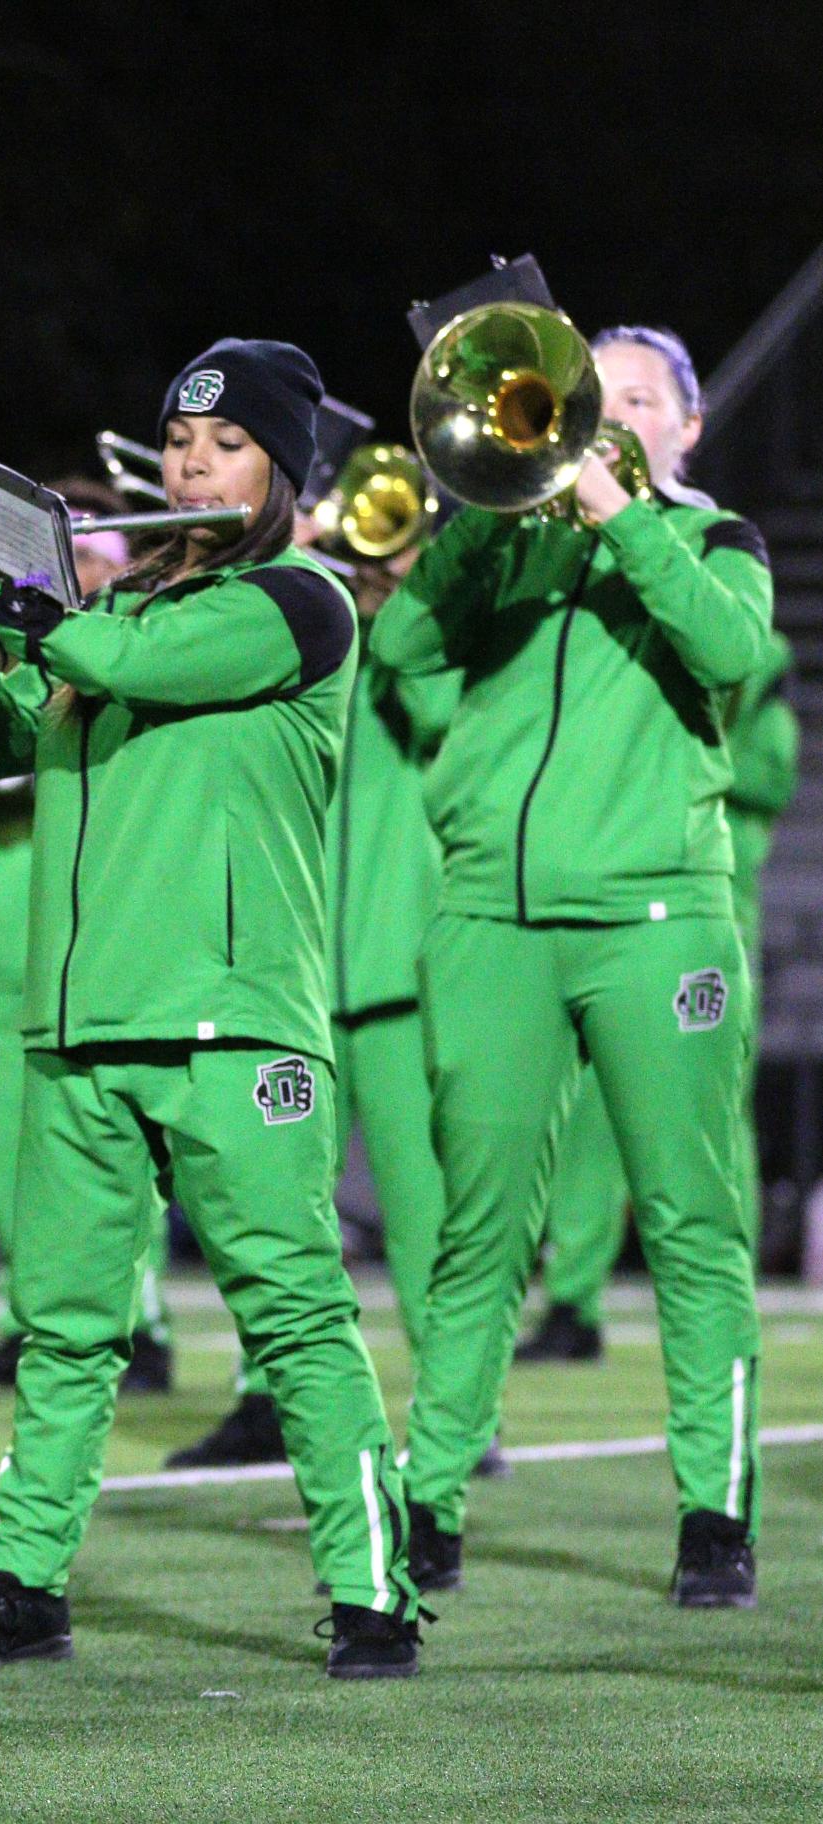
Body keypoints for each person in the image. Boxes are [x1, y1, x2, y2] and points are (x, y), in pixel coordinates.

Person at [0, 339, 424, 1679]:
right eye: (183, 442)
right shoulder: (128, 619)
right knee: (69, 1327)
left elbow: (99, 653)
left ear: (282, 470)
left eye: (228, 445)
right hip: (84, 1028)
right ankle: (22, 1584)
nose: (194, 464)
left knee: (295, 1317)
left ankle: (375, 1594)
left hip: (231, 1025)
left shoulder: (300, 601)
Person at [374, 323, 773, 1609]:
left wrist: (622, 520)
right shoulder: (513, 543)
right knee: (477, 1227)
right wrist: (497, 514)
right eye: (604, 394)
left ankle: (715, 1515)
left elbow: (734, 657)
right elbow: (400, 652)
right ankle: (430, 1505)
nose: (613, 416)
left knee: (691, 1223)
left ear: (687, 428)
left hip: (657, 919)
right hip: (491, 913)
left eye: (643, 399)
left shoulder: (719, 542)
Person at [169, 501, 467, 1469]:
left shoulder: (422, 640)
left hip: (396, 973)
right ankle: (264, 1402)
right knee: (275, 1217)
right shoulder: (300, 625)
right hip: (291, 976)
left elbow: (441, 721)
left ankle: (459, 1422)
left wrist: (402, 602)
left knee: (429, 1221)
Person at [0, 479, 173, 1395]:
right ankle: (26, 1309)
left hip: (99, 895)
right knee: (7, 1134)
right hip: (8, 902)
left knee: (111, 1128)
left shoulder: (134, 645)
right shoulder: (27, 661)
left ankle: (138, 1315)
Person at [518, 629, 799, 1364]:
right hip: (628, 914)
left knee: (708, 1114)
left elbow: (769, 779)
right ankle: (572, 1302)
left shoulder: (758, 675)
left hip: (713, 922)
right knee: (586, 1119)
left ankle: (719, 1290)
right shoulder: (639, 656)